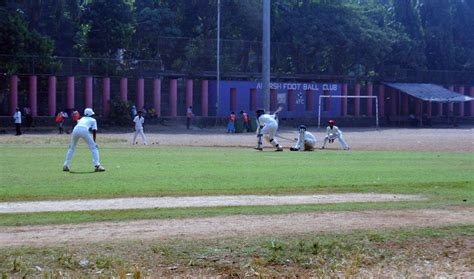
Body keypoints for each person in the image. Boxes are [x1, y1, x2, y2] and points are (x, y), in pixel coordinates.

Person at [63, 108, 105, 172]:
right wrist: (94, 141)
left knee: (71, 147)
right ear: (92, 114)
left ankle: (66, 165)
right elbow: (94, 131)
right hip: (84, 130)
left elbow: (78, 122)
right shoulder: (93, 120)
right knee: (94, 148)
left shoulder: (82, 119)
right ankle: (97, 166)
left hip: (75, 129)